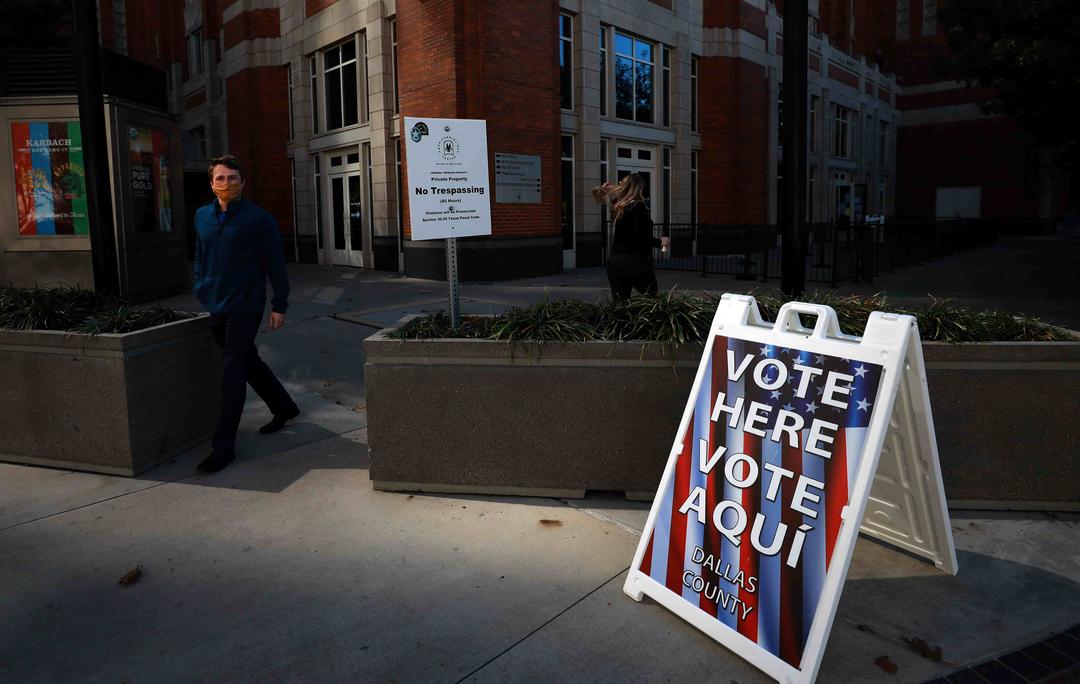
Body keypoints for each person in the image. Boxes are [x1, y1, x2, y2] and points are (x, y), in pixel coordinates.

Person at [192, 155, 299, 473]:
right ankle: (284, 406)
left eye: (233, 178)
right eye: (221, 178)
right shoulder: (201, 216)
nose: (227, 184)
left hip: (246, 305)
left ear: (243, 182)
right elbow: (201, 253)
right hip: (216, 302)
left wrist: (280, 304)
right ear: (212, 183)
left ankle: (223, 448)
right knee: (246, 360)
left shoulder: (259, 219)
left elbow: (275, 264)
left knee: (232, 374)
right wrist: (201, 284)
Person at [593, 173, 670, 300]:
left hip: (615, 263)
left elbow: (629, 233)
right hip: (635, 263)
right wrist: (661, 242)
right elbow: (639, 236)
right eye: (642, 187)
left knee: (620, 307)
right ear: (639, 187)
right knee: (654, 302)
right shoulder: (638, 207)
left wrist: (613, 194)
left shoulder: (619, 208)